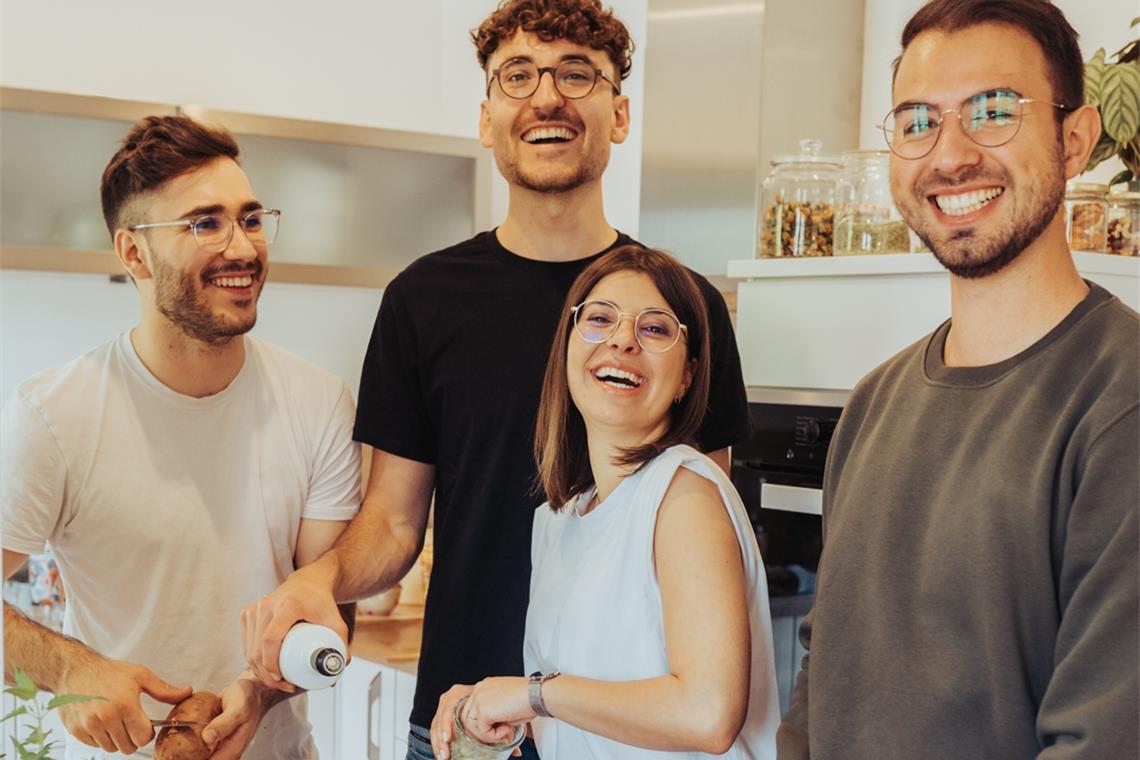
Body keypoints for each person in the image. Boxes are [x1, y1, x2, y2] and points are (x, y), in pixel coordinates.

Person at [240, 1, 751, 758]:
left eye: (577, 73)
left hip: (630, 728)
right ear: (487, 118)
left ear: (620, 111)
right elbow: (392, 521)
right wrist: (324, 579)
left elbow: (699, 537)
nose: (547, 96)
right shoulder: (423, 300)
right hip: (466, 713)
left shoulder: (677, 312)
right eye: (518, 76)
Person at [776, 1, 1139, 758]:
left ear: (1074, 140)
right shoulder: (877, 399)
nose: (949, 156)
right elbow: (824, 667)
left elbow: (1104, 737)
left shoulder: (1120, 402)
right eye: (917, 121)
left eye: (994, 111)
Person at [1, 115, 362, 759]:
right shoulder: (56, 413)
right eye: (204, 223)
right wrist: (71, 669)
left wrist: (261, 689)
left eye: (250, 219)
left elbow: (330, 606)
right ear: (134, 253)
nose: (244, 248)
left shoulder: (319, 402)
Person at [428, 245, 779, 759]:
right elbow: (593, 715)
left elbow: (707, 713)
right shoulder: (560, 518)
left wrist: (532, 694)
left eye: (655, 329)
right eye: (599, 319)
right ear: (567, 347)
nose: (621, 341)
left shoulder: (683, 491)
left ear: (687, 376)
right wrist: (492, 709)